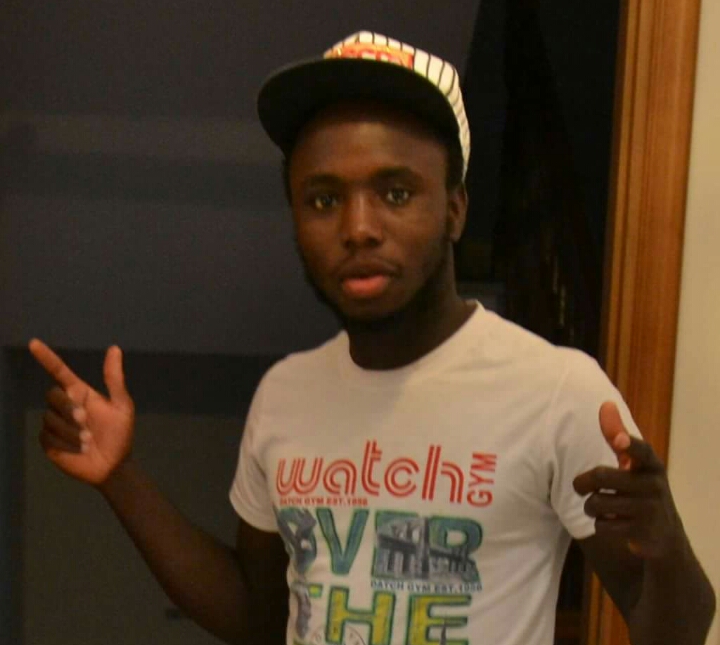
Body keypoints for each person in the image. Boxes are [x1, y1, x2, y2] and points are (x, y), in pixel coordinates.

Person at [28, 31, 715, 645]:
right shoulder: (284, 394)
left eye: (395, 192)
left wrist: (667, 548)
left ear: (454, 209)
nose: (358, 227)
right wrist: (120, 478)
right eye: (324, 199)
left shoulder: (557, 389)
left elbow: (678, 626)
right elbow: (258, 618)